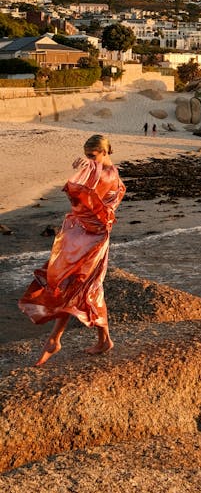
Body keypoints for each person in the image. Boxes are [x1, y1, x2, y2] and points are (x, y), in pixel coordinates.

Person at [18, 133, 126, 367]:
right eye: (87, 155)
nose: (90, 159)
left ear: (105, 152)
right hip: (83, 236)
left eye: (93, 155)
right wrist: (88, 168)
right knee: (83, 286)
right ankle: (102, 339)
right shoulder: (107, 171)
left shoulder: (107, 174)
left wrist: (86, 170)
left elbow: (79, 195)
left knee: (80, 286)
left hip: (92, 239)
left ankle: (56, 339)